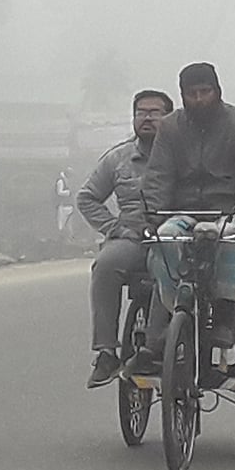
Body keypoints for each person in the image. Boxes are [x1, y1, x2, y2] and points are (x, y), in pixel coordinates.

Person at [140, 62, 235, 364]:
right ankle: (175, 316)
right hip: (180, 212)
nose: (199, 99)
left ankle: (225, 319)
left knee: (230, 245)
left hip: (226, 212)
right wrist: (151, 218)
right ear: (182, 95)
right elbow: (158, 175)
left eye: (205, 92)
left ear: (217, 91)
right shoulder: (170, 127)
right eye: (192, 93)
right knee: (165, 240)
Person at [77, 89, 173, 388]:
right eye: (141, 112)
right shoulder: (118, 158)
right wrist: (115, 227)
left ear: (169, 118)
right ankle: (106, 353)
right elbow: (87, 198)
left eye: (155, 113)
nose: (147, 118)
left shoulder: (183, 156)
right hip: (131, 238)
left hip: (173, 238)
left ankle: (154, 347)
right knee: (104, 265)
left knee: (170, 267)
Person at [54, 168, 75, 241]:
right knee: (61, 223)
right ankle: (61, 238)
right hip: (62, 205)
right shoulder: (60, 181)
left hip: (68, 205)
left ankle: (69, 238)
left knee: (68, 223)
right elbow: (59, 192)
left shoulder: (66, 180)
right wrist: (68, 192)